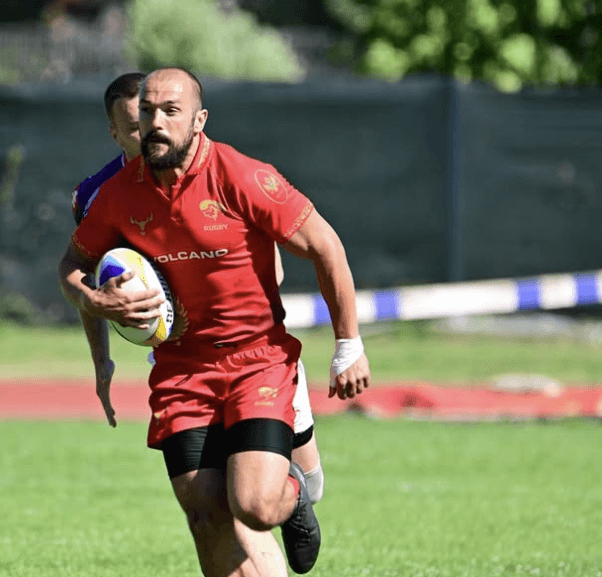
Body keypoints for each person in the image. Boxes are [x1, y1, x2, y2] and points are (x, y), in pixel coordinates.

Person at [60, 67, 370, 577]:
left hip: (257, 362)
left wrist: (348, 344)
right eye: (146, 112)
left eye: (170, 112)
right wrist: (94, 302)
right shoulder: (117, 195)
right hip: (182, 369)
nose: (155, 123)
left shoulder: (241, 175)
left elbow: (324, 245)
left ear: (199, 120)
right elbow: (69, 268)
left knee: (253, 505)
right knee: (205, 514)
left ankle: (288, 495)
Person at [73, 72, 326, 506]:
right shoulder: (99, 196)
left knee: (306, 485)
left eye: (158, 115)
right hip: (182, 354)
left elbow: (276, 266)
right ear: (115, 133)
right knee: (223, 501)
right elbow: (94, 281)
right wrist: (103, 361)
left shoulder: (211, 170)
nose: (151, 129)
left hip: (254, 348)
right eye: (135, 125)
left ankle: (289, 494)